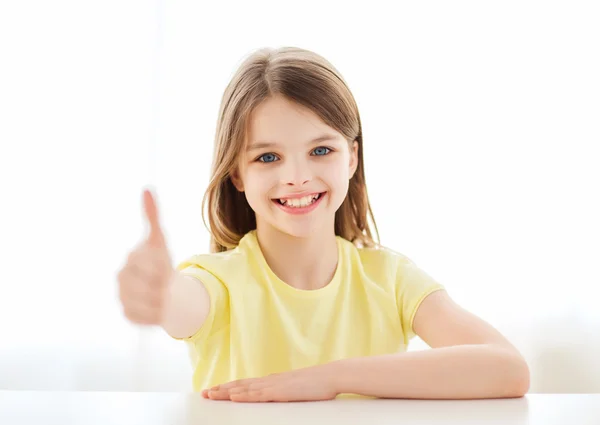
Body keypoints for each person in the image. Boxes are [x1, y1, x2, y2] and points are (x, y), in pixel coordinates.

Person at [117, 46, 530, 402]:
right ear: (237, 174)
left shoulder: (390, 279)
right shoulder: (218, 282)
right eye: (267, 157)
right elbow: (179, 301)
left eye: (320, 150)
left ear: (351, 158)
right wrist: (159, 292)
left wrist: (330, 379)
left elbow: (508, 369)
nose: (296, 176)